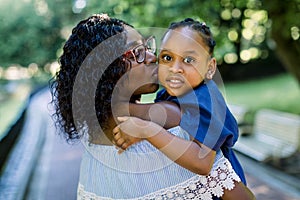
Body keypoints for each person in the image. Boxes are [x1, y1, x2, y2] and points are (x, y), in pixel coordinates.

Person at [51, 14, 254, 199]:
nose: (151, 57)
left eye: (147, 47)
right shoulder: (169, 133)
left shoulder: (93, 145)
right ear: (106, 70)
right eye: (137, 52)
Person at [113, 18, 255, 199]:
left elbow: (202, 163)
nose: (175, 68)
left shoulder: (206, 98)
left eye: (188, 59)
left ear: (210, 68)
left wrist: (146, 130)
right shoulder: (170, 94)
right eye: (167, 58)